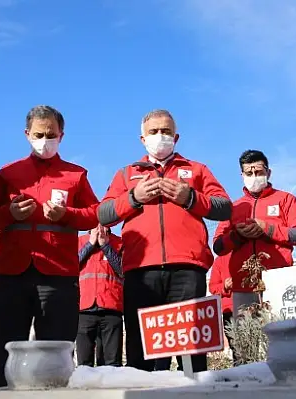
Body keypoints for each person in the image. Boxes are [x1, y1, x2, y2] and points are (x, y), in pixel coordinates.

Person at [98, 109, 232, 373]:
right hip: (140, 271)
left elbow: (225, 207)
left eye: (166, 131)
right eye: (154, 132)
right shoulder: (126, 174)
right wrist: (133, 197)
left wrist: (191, 197)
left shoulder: (196, 170)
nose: (160, 136)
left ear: (176, 136)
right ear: (142, 138)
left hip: (187, 269)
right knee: (141, 352)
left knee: (191, 352)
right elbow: (104, 213)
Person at [0, 105, 100, 388]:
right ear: (27, 134)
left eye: (51, 135)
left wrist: (66, 214)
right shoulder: (7, 173)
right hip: (11, 275)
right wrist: (10, 212)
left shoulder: (76, 175)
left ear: (61, 135)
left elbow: (94, 213)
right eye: (39, 134)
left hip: (57, 278)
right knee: (2, 351)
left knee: (56, 355)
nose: (45, 140)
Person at [213, 150, 296, 318]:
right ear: (242, 175)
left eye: (258, 172)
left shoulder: (286, 199)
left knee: (281, 336)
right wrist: (238, 235)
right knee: (247, 339)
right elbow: (218, 246)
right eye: (249, 173)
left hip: (278, 281)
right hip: (242, 287)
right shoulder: (234, 207)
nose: (254, 176)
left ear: (268, 172)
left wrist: (268, 229)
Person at [76, 225, 123, 367]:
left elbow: (123, 269)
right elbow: (71, 266)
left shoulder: (119, 242)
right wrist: (90, 244)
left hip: (111, 308)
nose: (99, 225)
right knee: (84, 363)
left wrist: (105, 246)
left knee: (112, 363)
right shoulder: (79, 241)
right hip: (84, 308)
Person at [207, 255, 237, 365]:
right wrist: (224, 286)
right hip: (230, 309)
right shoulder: (220, 259)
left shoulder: (250, 248)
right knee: (236, 348)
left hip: (252, 306)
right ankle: (240, 376)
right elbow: (212, 287)